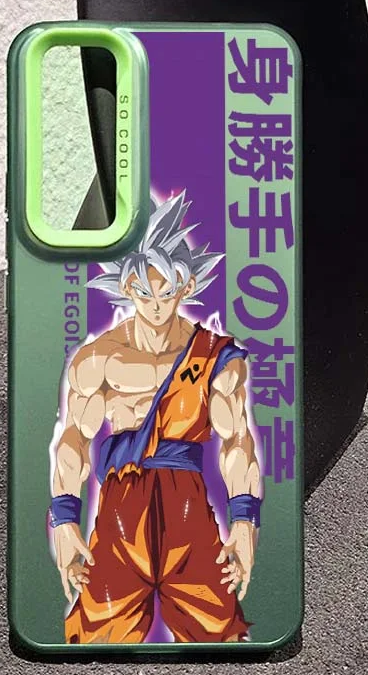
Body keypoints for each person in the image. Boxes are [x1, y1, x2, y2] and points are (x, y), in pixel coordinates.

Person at [48, 192, 262, 643]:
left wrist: (245, 522)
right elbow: (73, 440)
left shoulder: (215, 357)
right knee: (95, 640)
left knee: (219, 637)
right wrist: (65, 521)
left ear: (187, 286)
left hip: (188, 510)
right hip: (120, 511)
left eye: (167, 291)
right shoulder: (99, 358)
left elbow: (237, 442)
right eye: (145, 292)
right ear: (127, 287)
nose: (157, 304)